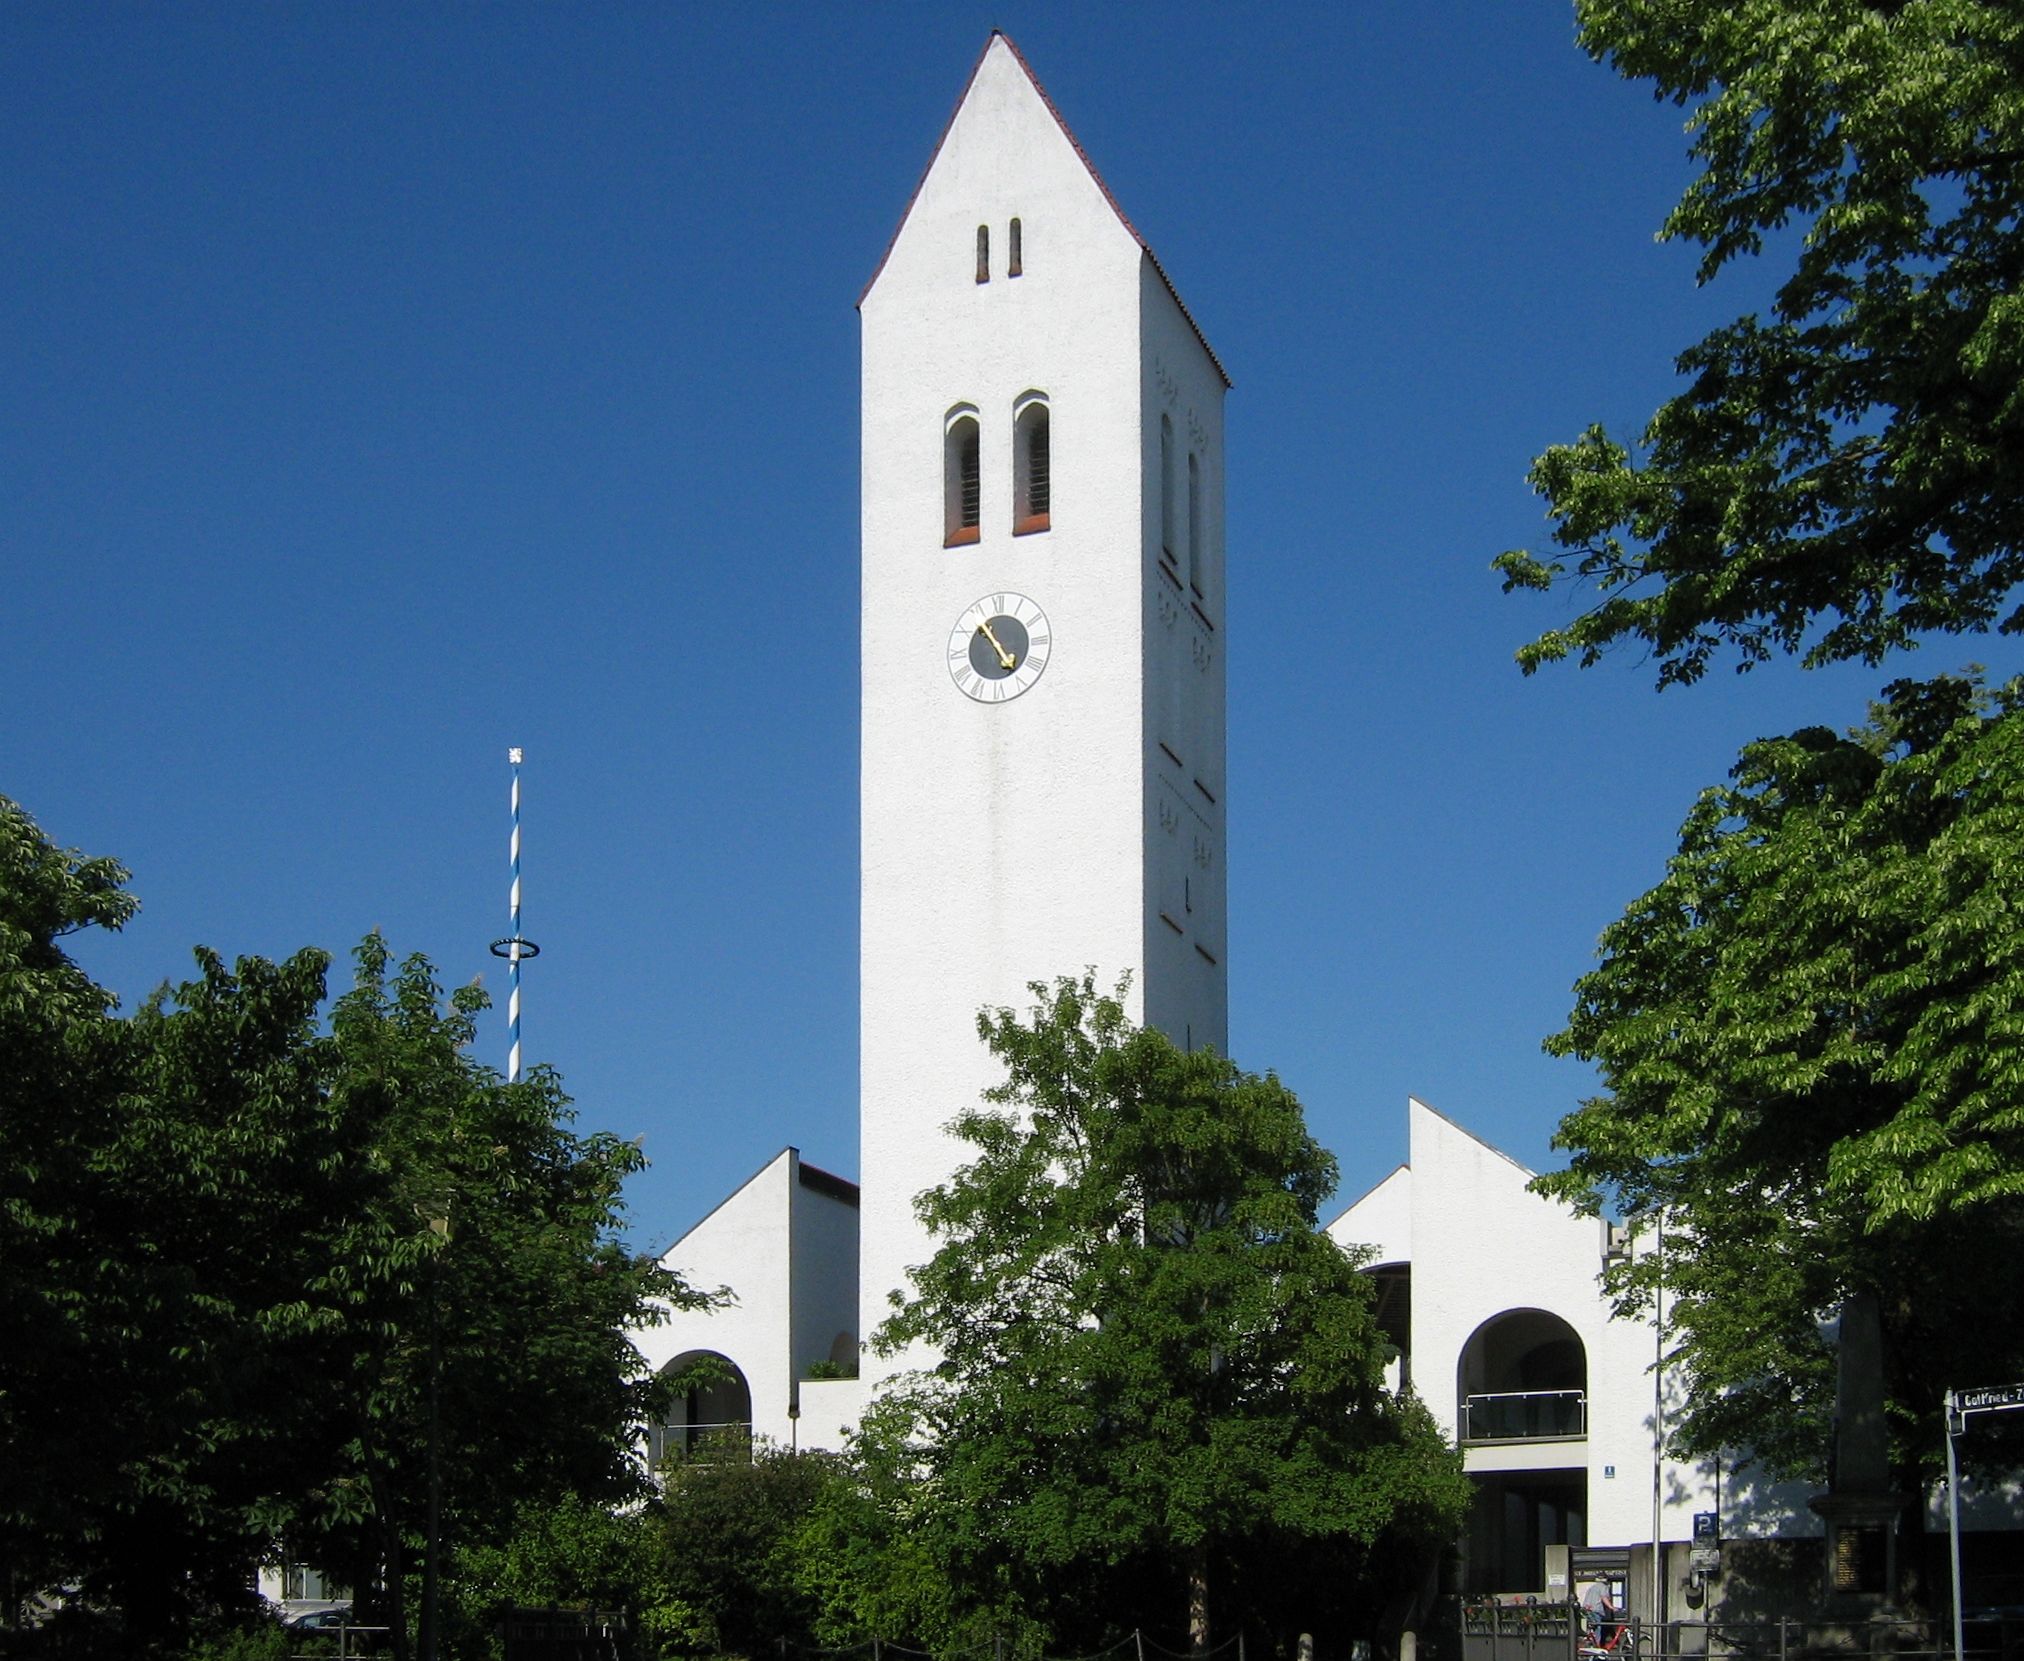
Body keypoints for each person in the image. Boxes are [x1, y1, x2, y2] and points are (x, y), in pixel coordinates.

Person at [1580, 1579, 1616, 1650]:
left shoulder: (1592, 1587)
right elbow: (1604, 1598)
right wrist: (1611, 1607)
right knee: (1598, 1628)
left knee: (1588, 1628)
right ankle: (1597, 1647)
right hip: (1595, 1610)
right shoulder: (1603, 1587)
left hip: (1585, 1610)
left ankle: (1587, 1641)